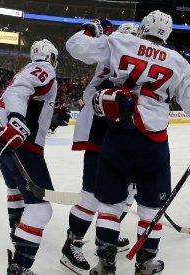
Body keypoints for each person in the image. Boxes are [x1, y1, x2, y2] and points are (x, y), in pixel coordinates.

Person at [66, 11, 190, 274]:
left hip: (117, 133)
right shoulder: (177, 61)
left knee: (109, 204)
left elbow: (75, 47)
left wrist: (91, 28)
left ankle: (105, 263)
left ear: (142, 28)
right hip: (153, 140)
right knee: (151, 205)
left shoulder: (120, 41)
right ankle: (145, 262)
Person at [60, 23, 139, 275]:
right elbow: (75, 46)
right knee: (93, 195)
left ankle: (107, 238)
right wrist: (90, 29)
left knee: (128, 191)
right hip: (100, 127)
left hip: (124, 131)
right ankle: (70, 245)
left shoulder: (132, 55)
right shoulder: (114, 47)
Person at [0, 39, 59, 275]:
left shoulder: (24, 70)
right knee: (40, 209)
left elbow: (26, 97)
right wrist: (17, 119)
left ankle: (18, 230)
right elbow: (19, 93)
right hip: (21, 145)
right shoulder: (44, 68)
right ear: (51, 57)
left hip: (0, 142)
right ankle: (20, 267)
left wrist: (52, 117)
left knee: (15, 189)